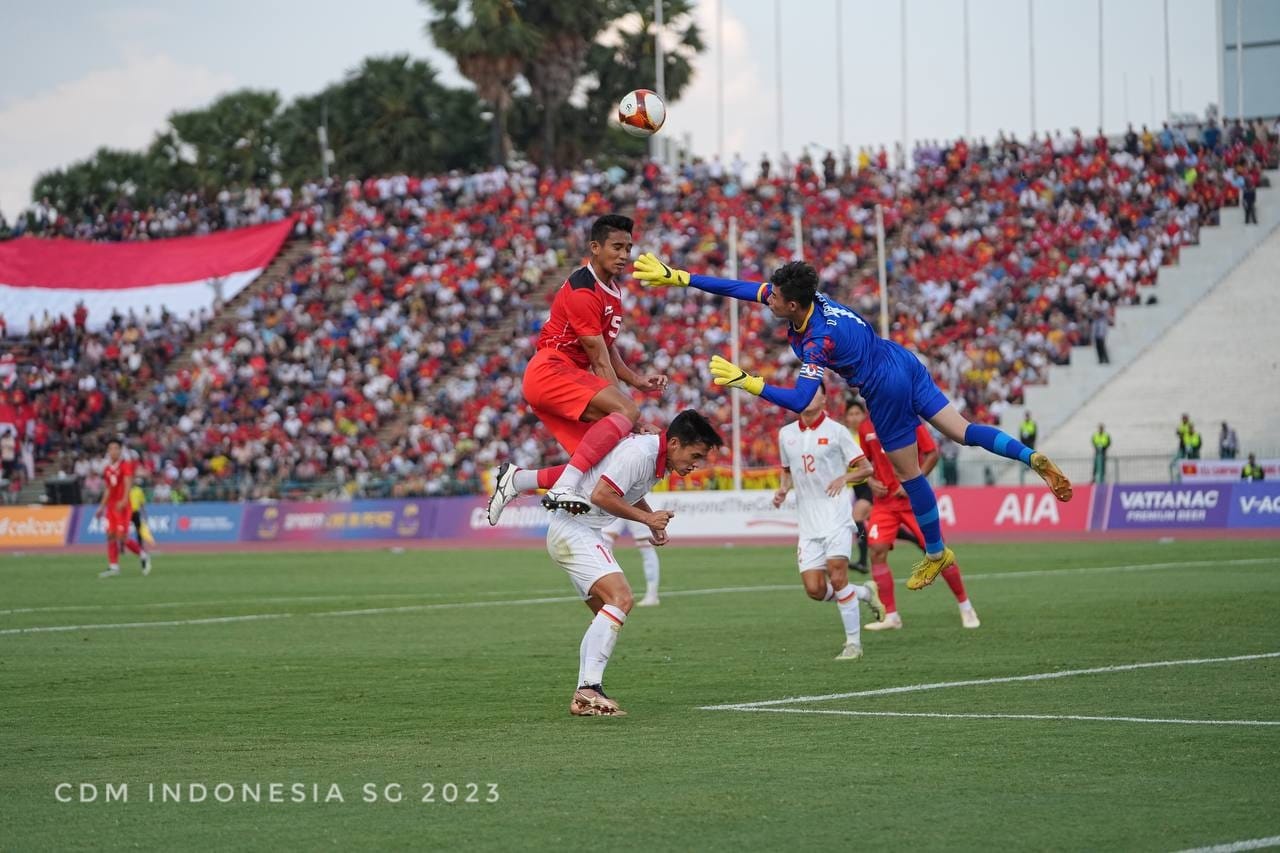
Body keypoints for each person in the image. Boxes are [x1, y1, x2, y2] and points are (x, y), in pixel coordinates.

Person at [632, 255, 1072, 592]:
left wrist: (750, 382)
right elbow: (742, 288)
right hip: (902, 357)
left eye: (776, 300)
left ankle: (936, 551)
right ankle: (1029, 455)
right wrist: (681, 277)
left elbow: (804, 398)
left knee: (909, 472)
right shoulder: (809, 301)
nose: (768, 301)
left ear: (793, 304)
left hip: (884, 385)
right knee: (963, 431)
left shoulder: (818, 339)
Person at [533, 410, 723, 716]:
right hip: (574, 529)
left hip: (580, 530)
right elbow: (602, 494)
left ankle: (584, 696)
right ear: (674, 443)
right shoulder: (640, 453)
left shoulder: (656, 457)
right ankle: (588, 689)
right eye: (695, 455)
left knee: (604, 615)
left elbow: (628, 492)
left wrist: (650, 522)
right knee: (621, 598)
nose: (696, 464)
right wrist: (648, 517)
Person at [489, 214, 668, 523]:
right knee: (625, 418)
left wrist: (637, 381)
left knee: (607, 460)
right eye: (617, 247)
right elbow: (597, 356)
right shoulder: (583, 290)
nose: (625, 255)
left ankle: (518, 481)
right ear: (595, 247)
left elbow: (607, 348)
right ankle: (564, 488)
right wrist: (630, 415)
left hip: (563, 376)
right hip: (551, 371)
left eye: (628, 248)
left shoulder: (609, 289)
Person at [772, 385, 884, 660]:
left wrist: (844, 478)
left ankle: (853, 644)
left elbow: (866, 468)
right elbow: (787, 471)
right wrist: (783, 489)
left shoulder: (837, 431)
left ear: (824, 398)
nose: (808, 397)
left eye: (814, 392)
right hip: (808, 522)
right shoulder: (786, 434)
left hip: (835, 516)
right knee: (815, 589)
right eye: (804, 392)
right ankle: (864, 592)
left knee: (837, 575)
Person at [855, 411, 980, 632]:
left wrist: (914, 482)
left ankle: (965, 606)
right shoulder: (865, 427)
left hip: (914, 502)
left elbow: (932, 453)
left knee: (939, 553)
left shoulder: (907, 418)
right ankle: (891, 616)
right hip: (884, 503)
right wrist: (871, 481)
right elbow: (864, 464)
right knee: (876, 550)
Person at [95, 439, 150, 578]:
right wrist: (101, 507)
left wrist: (124, 500)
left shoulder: (125, 465)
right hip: (111, 507)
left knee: (122, 537)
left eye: (115, 448)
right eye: (110, 448)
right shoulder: (107, 469)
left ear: (120, 450)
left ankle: (143, 555)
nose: (113, 451)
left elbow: (128, 483)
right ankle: (114, 567)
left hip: (123, 506)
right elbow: (108, 490)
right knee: (110, 536)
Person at [601, 512, 661, 607]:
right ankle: (607, 592)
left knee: (646, 546)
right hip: (616, 504)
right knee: (604, 543)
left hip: (635, 505)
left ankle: (652, 594)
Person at [129, 477, 155, 551]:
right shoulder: (126, 490)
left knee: (139, 529)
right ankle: (121, 548)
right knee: (123, 530)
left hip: (135, 512)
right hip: (127, 513)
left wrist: (144, 513)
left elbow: (142, 503)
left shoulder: (138, 490)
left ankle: (140, 546)